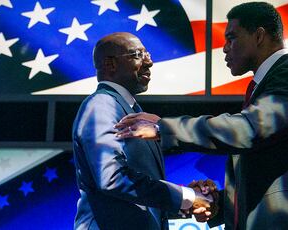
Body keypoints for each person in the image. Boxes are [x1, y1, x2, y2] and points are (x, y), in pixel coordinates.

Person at [114, 2, 288, 230]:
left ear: (259, 36)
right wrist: (216, 203)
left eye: (232, 38)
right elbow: (263, 172)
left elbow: (249, 129)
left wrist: (164, 128)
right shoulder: (264, 88)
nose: (225, 48)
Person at [72, 32, 216, 230]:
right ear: (110, 64)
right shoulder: (102, 105)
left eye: (147, 53)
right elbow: (112, 179)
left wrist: (186, 202)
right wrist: (187, 197)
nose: (149, 62)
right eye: (138, 54)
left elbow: (137, 195)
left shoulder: (131, 110)